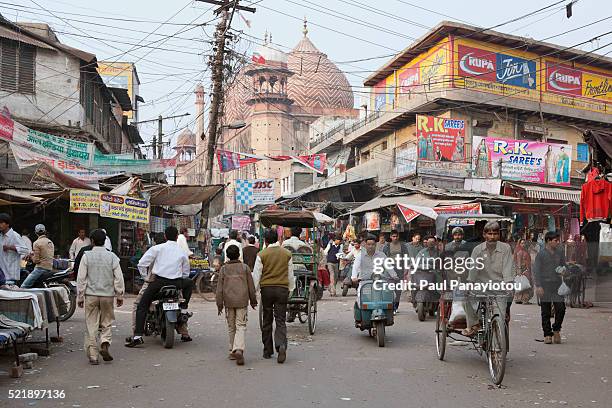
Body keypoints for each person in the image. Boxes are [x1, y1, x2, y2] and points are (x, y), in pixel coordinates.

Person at [125, 226, 193, 348]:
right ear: (177, 237)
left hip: (159, 283)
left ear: (166, 236)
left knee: (142, 305)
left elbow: (141, 264)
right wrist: (179, 278)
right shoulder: (182, 251)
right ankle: (183, 307)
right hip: (176, 284)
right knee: (189, 282)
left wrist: (146, 277)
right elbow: (186, 272)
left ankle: (137, 336)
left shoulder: (157, 248)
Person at [76, 229, 124, 365]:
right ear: (105, 241)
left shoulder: (86, 256)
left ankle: (93, 355)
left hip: (91, 295)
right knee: (107, 321)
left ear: (91, 241)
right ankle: (105, 342)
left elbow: (81, 278)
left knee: (91, 324)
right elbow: (119, 278)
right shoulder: (112, 257)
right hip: (107, 295)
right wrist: (119, 294)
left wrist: (80, 296)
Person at [252, 228, 295, 363]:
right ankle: (281, 345)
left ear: (265, 240)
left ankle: (267, 350)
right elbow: (290, 274)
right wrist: (291, 289)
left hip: (267, 290)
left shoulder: (262, 254)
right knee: (280, 320)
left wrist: (253, 292)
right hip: (282, 289)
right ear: (277, 239)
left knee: (267, 319)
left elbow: (256, 275)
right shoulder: (286, 253)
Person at [463, 221, 514, 337]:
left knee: (500, 317)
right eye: (489, 234)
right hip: (481, 286)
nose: (492, 237)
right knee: (463, 297)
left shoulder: (506, 248)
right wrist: (469, 284)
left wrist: (508, 284)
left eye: (495, 234)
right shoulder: (477, 250)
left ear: (499, 235)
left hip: (500, 286)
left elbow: (507, 268)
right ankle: (474, 324)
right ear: (484, 234)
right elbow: (473, 270)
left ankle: (500, 325)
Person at [216, 244, 257, 365]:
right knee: (240, 325)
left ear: (227, 256)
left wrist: (219, 305)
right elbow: (251, 287)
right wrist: (253, 301)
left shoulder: (223, 269)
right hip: (242, 301)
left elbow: (219, 290)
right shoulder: (245, 268)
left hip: (228, 302)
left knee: (231, 326)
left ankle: (232, 351)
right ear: (239, 255)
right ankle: (238, 348)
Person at [533, 231, 567, 345]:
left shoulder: (560, 253)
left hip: (557, 285)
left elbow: (564, 265)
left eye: (558, 240)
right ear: (548, 241)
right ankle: (547, 334)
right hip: (545, 285)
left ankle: (556, 329)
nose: (558, 242)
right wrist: (538, 286)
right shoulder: (541, 255)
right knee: (546, 311)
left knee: (561, 308)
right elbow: (536, 271)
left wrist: (564, 271)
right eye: (555, 240)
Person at [351, 234, 398, 305]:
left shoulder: (381, 255)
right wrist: (354, 277)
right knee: (360, 299)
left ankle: (390, 314)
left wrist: (394, 276)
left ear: (375, 245)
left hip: (380, 281)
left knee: (392, 296)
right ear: (365, 245)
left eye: (373, 244)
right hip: (365, 282)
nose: (370, 246)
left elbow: (388, 266)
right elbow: (355, 267)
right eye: (369, 244)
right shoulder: (360, 255)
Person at [382, 230, 409, 313]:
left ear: (398, 237)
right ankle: (391, 307)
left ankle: (396, 306)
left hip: (400, 269)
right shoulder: (387, 246)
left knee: (398, 290)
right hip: (389, 270)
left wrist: (406, 269)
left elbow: (406, 257)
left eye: (396, 236)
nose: (395, 238)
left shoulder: (403, 246)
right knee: (390, 289)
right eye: (393, 236)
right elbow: (383, 258)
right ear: (390, 237)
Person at [0, 213, 29, 283]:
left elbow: (25, 250)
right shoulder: (0, 236)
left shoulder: (15, 235)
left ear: (8, 224)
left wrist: (10, 247)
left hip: (11, 275)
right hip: (2, 275)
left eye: (1, 223)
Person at [513, 238, 533, 304]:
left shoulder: (524, 251)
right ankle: (524, 299)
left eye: (524, 243)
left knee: (523, 285)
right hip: (523, 271)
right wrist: (519, 270)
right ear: (519, 244)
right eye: (522, 243)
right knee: (525, 285)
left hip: (526, 270)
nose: (523, 245)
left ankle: (520, 299)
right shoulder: (520, 252)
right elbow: (518, 262)